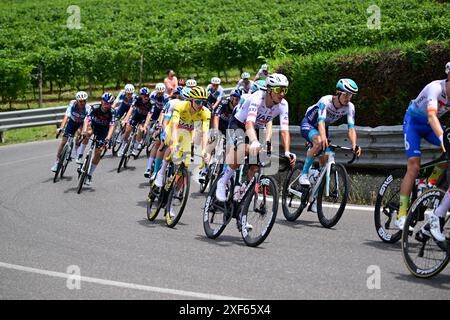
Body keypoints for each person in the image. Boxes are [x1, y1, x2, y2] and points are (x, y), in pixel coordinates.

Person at [215, 73, 296, 202]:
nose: (282, 93)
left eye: (284, 90)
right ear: (269, 90)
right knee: (244, 149)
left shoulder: (283, 105)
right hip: (239, 124)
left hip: (257, 128)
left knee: (257, 163)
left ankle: (244, 192)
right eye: (278, 90)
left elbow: (284, 131)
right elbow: (249, 123)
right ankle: (223, 181)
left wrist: (287, 151)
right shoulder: (258, 98)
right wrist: (254, 141)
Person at [396, 62, 450, 230]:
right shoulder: (435, 88)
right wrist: (442, 138)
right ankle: (401, 214)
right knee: (414, 166)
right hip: (413, 123)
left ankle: (429, 183)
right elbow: (432, 116)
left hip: (429, 126)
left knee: (449, 154)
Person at [153, 86, 211, 219]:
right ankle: (161, 173)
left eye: (204, 102)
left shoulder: (205, 112)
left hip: (188, 134)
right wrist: (173, 143)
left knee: (184, 167)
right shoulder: (180, 105)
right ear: (191, 100)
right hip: (175, 130)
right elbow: (173, 126)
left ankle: (172, 201)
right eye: (198, 102)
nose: (201, 105)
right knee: (172, 145)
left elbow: (205, 133)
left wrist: (204, 151)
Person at [199, 88, 242, 183]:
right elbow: (216, 117)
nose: (237, 101)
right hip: (219, 126)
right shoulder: (224, 103)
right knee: (212, 143)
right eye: (236, 99)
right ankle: (204, 170)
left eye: (239, 99)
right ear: (231, 98)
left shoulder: (239, 107)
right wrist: (215, 131)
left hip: (230, 129)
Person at [144, 86, 186, 178]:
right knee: (160, 143)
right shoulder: (171, 102)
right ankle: (154, 171)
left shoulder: (191, 107)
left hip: (180, 127)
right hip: (167, 124)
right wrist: (161, 129)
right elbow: (163, 116)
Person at [78, 93, 116, 185]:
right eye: (105, 103)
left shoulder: (112, 112)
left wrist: (108, 138)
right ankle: (80, 155)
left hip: (103, 130)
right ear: (101, 101)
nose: (107, 105)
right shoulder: (94, 107)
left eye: (109, 103)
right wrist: (83, 131)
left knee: (98, 151)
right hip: (93, 126)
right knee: (88, 132)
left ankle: (90, 174)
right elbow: (86, 120)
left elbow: (112, 126)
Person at [51, 91, 90, 172]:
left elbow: (86, 121)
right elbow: (66, 116)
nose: (82, 103)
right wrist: (61, 128)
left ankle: (75, 150)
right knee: (63, 142)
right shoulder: (72, 104)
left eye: (84, 101)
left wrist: (84, 131)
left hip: (81, 123)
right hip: (72, 122)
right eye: (80, 101)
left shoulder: (88, 108)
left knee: (79, 133)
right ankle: (57, 162)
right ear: (77, 100)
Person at [118, 87, 152, 157]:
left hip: (144, 118)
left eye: (147, 96)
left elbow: (149, 115)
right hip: (136, 115)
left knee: (140, 130)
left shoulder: (151, 103)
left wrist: (145, 126)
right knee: (127, 130)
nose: (146, 97)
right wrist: (125, 119)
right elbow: (131, 109)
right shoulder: (137, 99)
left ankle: (135, 148)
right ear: (141, 96)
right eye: (144, 96)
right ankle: (122, 146)